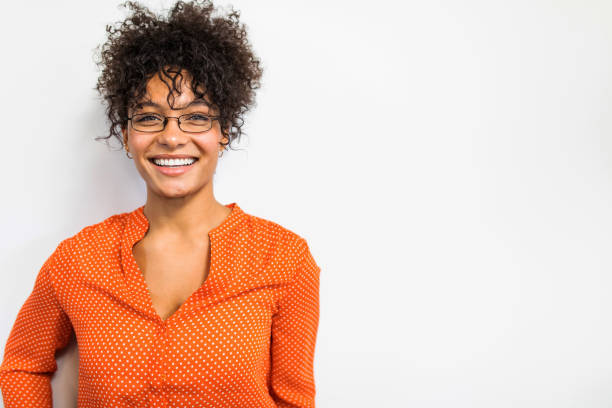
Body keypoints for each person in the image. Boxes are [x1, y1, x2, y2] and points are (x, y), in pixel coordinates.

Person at [0, 1, 321, 407]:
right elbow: (22, 365)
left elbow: (295, 400)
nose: (171, 137)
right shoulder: (78, 260)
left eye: (196, 116)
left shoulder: (284, 259)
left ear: (224, 131)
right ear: (125, 132)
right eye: (150, 117)